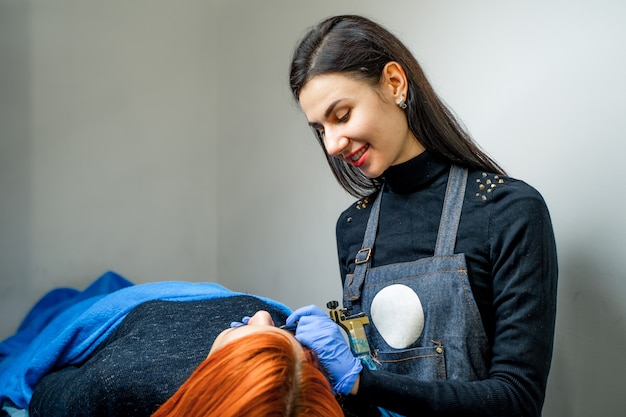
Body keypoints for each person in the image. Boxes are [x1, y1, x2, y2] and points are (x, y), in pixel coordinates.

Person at [286, 14, 558, 417]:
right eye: (320, 129)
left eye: (341, 115)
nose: (332, 144)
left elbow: (517, 400)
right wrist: (294, 353)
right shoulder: (352, 228)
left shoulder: (509, 211)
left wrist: (364, 381)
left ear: (394, 83)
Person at [0, 273, 343, 417]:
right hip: (196, 292)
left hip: (123, 311)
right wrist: (357, 378)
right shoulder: (308, 395)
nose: (263, 315)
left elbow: (43, 391)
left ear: (216, 378)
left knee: (52, 313)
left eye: (257, 339)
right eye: (292, 342)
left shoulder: (120, 384)